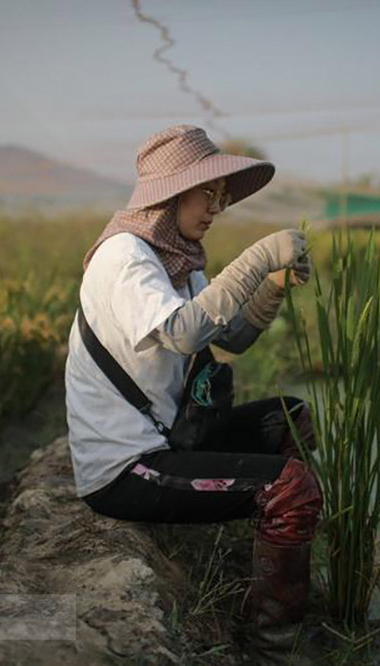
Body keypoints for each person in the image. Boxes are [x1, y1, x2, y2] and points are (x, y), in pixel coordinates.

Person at [65, 124, 322, 661]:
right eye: (208, 194)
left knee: (292, 417)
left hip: (168, 440)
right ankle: (271, 644)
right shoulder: (126, 257)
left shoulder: (176, 263)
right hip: (126, 467)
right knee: (290, 487)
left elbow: (229, 336)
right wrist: (254, 259)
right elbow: (183, 331)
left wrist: (272, 285)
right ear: (169, 195)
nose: (216, 208)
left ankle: (284, 561)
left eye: (220, 197)